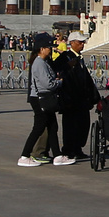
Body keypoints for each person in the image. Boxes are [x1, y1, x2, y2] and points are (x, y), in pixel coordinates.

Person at [18, 33, 64, 167]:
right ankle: (24, 156)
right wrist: (59, 82)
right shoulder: (39, 62)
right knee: (38, 128)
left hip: (43, 97)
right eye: (49, 47)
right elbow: (47, 84)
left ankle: (58, 156)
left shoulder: (42, 62)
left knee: (52, 126)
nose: (51, 50)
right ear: (42, 48)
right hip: (40, 98)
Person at [55, 33, 98, 162]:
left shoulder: (79, 58)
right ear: (72, 42)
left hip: (82, 99)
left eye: (83, 42)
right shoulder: (65, 57)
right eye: (80, 42)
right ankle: (69, 149)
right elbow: (58, 71)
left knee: (83, 125)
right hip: (71, 99)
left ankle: (78, 148)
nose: (82, 45)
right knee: (70, 125)